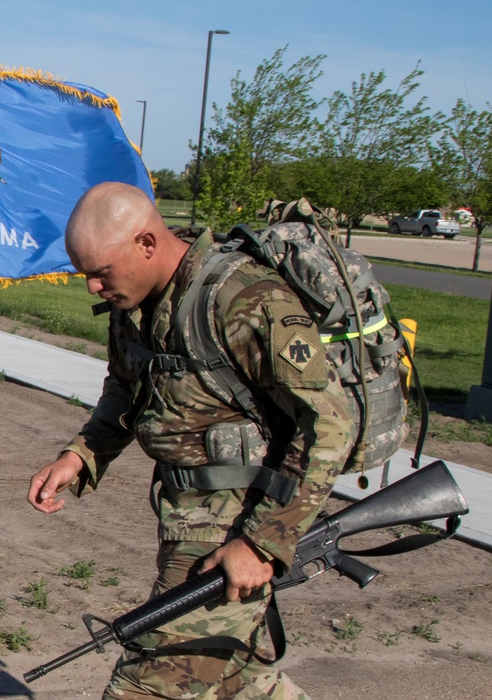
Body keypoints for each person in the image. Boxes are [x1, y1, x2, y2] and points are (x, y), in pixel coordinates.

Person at [27, 182, 354, 699]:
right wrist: (81, 455)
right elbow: (126, 386)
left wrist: (263, 542)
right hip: (184, 519)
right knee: (242, 684)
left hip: (235, 528)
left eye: (100, 272)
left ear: (147, 244)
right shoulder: (132, 303)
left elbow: (332, 421)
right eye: (84, 274)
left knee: (149, 681)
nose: (91, 286)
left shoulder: (244, 297)